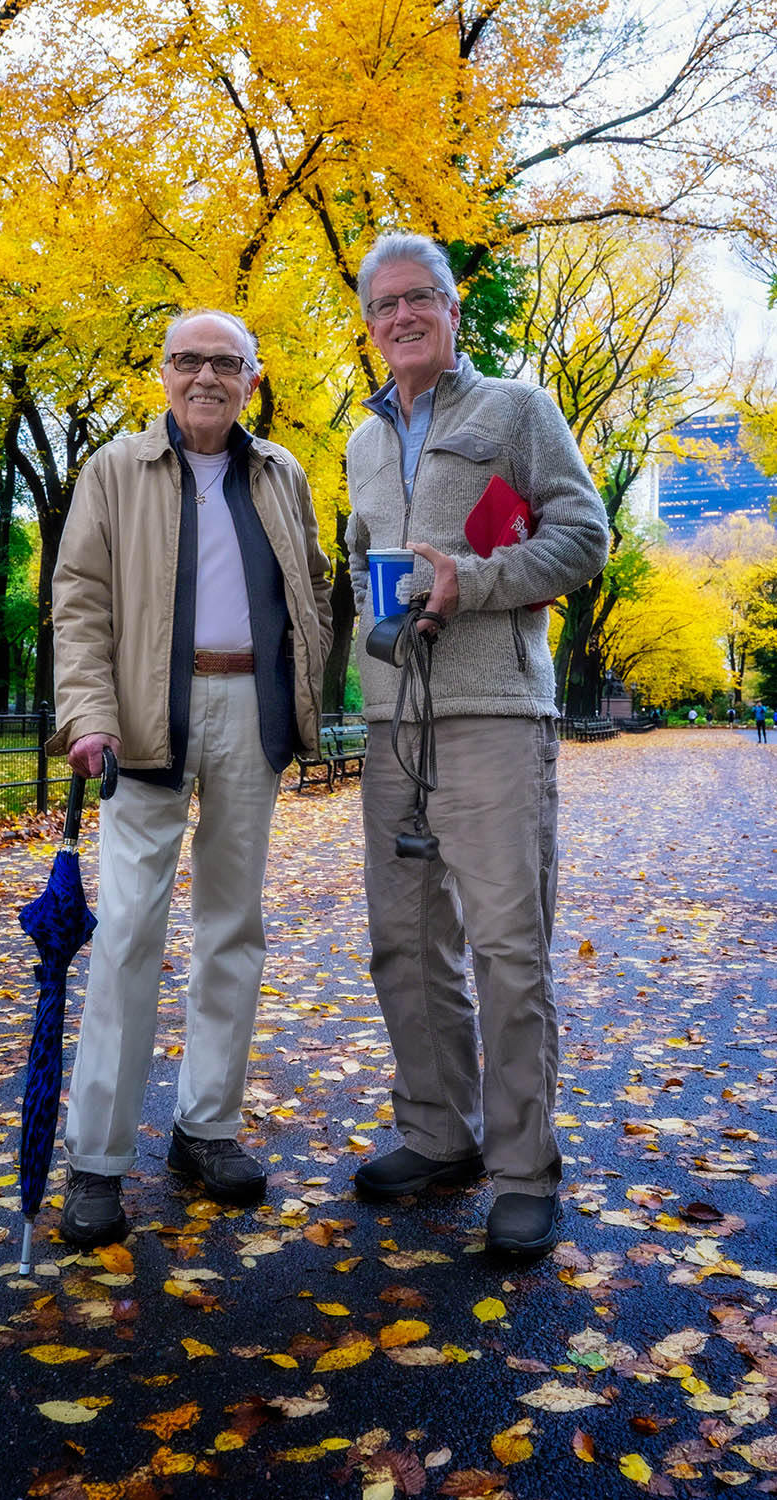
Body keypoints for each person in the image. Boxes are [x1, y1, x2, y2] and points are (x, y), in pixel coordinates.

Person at [345, 233, 609, 1258]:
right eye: (383, 306)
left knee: (505, 943)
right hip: (389, 720)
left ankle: (523, 1169)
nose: (401, 317)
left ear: (453, 310)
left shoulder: (517, 410)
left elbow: (583, 537)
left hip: (495, 710)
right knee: (404, 942)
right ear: (369, 326)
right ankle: (436, 1134)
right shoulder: (362, 441)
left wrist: (475, 578)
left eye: (420, 299)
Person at [48, 308, 332, 1247]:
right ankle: (97, 1159)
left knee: (232, 928)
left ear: (253, 377)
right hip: (141, 722)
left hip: (250, 716)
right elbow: (79, 600)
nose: (205, 376)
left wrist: (306, 695)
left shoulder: (281, 471)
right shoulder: (116, 469)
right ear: (163, 374)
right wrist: (87, 714)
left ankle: (206, 1128)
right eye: (188, 361)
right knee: (128, 931)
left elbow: (313, 586)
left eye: (226, 362)